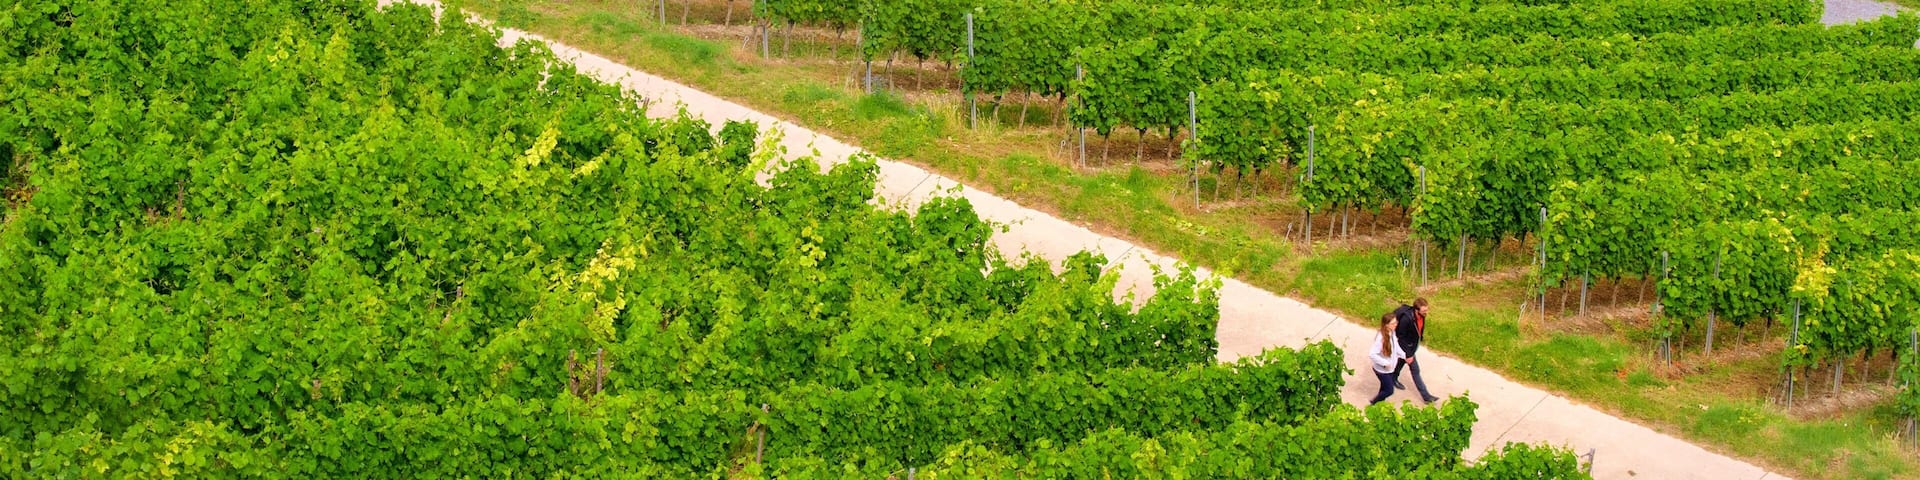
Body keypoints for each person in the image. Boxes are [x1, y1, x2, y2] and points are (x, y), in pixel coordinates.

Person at [1392, 297, 1440, 403]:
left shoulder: (1421, 316)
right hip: (1406, 347)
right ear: (1416, 310)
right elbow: (1401, 337)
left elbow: (1419, 328)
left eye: (1427, 309)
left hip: (1412, 345)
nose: (1426, 312)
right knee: (1415, 370)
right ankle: (1426, 397)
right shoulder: (1406, 319)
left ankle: (1393, 378)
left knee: (1401, 362)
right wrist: (1408, 354)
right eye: (1424, 311)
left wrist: (1420, 337)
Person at [1368, 312, 1406, 405]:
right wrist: (1385, 363)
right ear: (1386, 325)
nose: (1396, 325)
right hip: (1382, 370)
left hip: (1389, 369)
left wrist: (1403, 355)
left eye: (1396, 322)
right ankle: (1374, 402)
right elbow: (1372, 354)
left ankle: (1379, 404)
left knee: (1384, 387)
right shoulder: (1381, 338)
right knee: (1389, 390)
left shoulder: (1392, 333)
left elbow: (1395, 346)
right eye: (1393, 323)